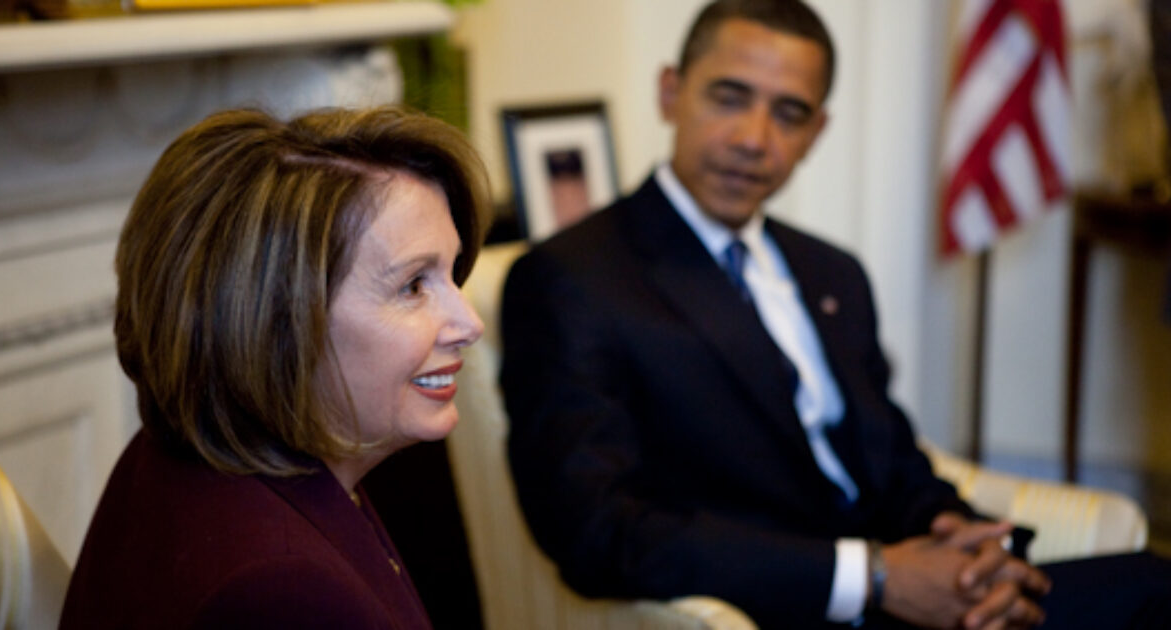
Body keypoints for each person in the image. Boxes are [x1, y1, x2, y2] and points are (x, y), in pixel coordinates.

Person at [500, 1, 1171, 628]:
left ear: (816, 132)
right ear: (671, 92)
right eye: (729, 97)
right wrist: (871, 576)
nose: (754, 139)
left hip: (912, 592)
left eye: (789, 113)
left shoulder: (831, 272)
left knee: (1151, 580)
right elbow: (596, 532)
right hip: (780, 608)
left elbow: (888, 458)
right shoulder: (573, 278)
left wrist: (964, 542)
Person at [60, 105, 488, 629]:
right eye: (414, 286)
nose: (470, 323)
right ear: (278, 322)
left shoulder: (180, 450)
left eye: (451, 273)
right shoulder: (283, 591)